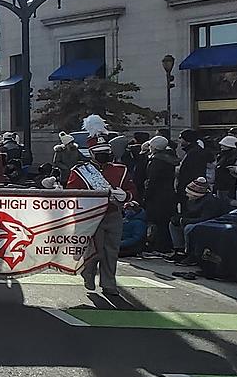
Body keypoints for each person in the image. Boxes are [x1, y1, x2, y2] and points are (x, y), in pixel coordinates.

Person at [65, 115, 137, 296]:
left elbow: (132, 190)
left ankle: (109, 284)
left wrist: (125, 196)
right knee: (95, 251)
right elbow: (72, 194)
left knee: (111, 252)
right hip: (92, 217)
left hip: (114, 214)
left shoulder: (120, 170)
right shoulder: (80, 172)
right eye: (100, 152)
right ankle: (87, 272)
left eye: (106, 151)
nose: (104, 155)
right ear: (92, 153)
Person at [168, 177, 231, 266]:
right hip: (196, 220)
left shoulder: (210, 201)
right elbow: (189, 214)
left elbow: (206, 219)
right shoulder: (191, 201)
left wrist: (184, 221)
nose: (187, 195)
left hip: (211, 223)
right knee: (173, 225)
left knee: (189, 228)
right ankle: (179, 250)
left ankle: (191, 254)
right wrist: (178, 218)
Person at [143, 135, 178, 253]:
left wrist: (146, 195)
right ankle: (167, 244)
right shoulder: (170, 159)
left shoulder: (156, 161)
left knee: (158, 221)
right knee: (165, 221)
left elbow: (152, 181)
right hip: (168, 193)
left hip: (157, 196)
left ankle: (160, 246)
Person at [176, 129, 211, 215]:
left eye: (181, 138)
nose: (179, 140)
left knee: (190, 212)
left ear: (187, 139)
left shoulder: (194, 153)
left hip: (192, 190)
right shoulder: (192, 151)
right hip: (190, 188)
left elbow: (192, 172)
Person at [213, 135, 237, 203]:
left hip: (227, 186)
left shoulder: (231, 158)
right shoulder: (222, 156)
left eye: (223, 145)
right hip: (220, 185)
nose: (221, 147)